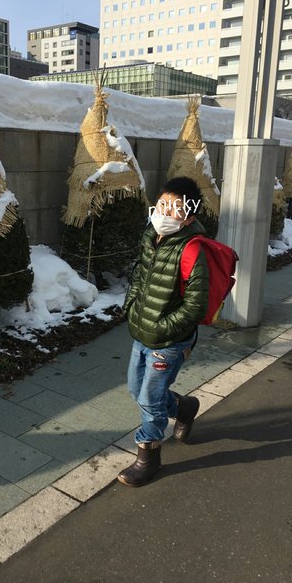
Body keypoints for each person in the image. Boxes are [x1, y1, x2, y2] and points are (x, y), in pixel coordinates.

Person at [118, 176, 210, 487]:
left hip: (170, 341)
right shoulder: (151, 236)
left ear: (189, 217)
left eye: (174, 209)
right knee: (136, 390)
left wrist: (162, 328)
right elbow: (139, 278)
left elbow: (196, 306)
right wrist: (132, 308)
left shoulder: (193, 250)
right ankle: (184, 408)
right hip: (142, 332)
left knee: (149, 398)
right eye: (162, 205)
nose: (164, 213)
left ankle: (149, 458)